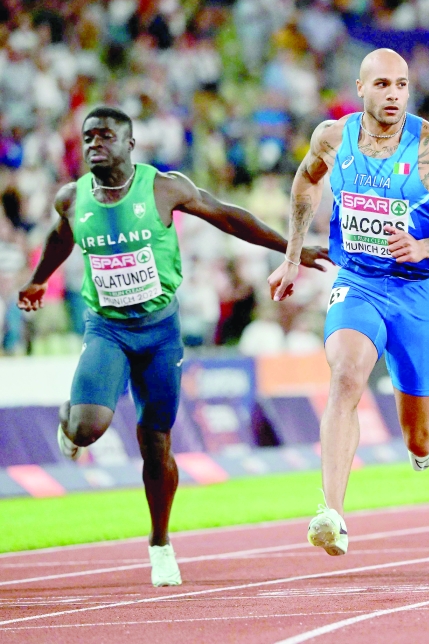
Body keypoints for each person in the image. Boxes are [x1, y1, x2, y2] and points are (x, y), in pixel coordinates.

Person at [17, 106, 329, 586]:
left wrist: (293, 248)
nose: (95, 143)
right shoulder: (71, 198)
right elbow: (62, 238)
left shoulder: (164, 188)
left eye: (106, 136)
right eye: (88, 137)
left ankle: (160, 543)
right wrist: (39, 281)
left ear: (129, 145)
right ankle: (70, 418)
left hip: (160, 331)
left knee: (155, 442)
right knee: (86, 429)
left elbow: (226, 215)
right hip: (108, 328)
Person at [267, 48, 429, 557]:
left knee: (418, 437)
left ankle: (424, 440)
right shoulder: (331, 137)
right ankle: (332, 514)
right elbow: (305, 181)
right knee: (345, 374)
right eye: (384, 85)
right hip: (360, 282)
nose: (394, 95)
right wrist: (293, 254)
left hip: (417, 292)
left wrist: (426, 245)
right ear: (361, 89)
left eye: (402, 85)